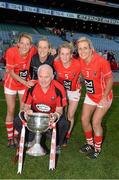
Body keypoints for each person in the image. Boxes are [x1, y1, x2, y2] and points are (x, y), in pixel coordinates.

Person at [14, 64, 68, 153]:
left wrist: (54, 116)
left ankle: (56, 143)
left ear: (52, 77)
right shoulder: (31, 86)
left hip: (51, 116)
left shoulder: (59, 88)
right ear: (37, 76)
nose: (43, 80)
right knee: (17, 120)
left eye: (46, 77)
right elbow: (26, 106)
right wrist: (28, 111)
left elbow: (59, 110)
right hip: (35, 115)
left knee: (64, 123)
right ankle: (31, 137)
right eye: (40, 77)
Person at [77, 37, 113, 159]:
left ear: (91, 49)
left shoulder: (102, 61)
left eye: (85, 48)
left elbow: (110, 80)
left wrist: (104, 97)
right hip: (91, 95)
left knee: (96, 122)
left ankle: (97, 149)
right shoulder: (80, 60)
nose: (82, 51)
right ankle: (90, 144)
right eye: (80, 49)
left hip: (104, 96)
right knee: (84, 119)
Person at [4, 33, 37, 148]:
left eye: (27, 44)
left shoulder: (33, 50)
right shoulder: (11, 52)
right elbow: (11, 72)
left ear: (30, 46)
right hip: (11, 84)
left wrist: (51, 51)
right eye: (22, 43)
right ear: (18, 44)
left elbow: (42, 52)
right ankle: (10, 138)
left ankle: (17, 134)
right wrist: (25, 82)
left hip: (24, 86)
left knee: (23, 110)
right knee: (11, 109)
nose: (24, 46)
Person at [53, 42, 81, 142]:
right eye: (62, 54)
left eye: (67, 54)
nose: (64, 57)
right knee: (61, 113)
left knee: (70, 115)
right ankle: (58, 131)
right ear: (59, 54)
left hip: (74, 91)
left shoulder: (78, 64)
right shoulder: (56, 63)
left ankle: (67, 134)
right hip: (62, 91)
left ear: (71, 55)